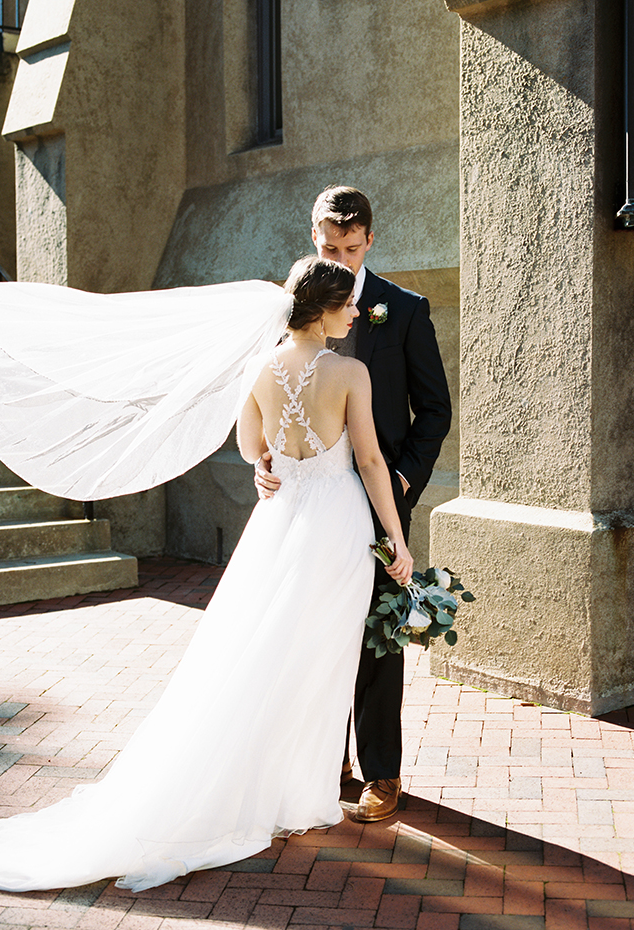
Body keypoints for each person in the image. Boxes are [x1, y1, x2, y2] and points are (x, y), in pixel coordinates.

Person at [0, 256, 412, 893]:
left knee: (260, 651)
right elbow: (367, 458)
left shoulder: (259, 367)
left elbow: (249, 443)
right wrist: (396, 540)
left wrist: (267, 466)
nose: (355, 314)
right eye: (346, 306)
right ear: (321, 309)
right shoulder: (349, 372)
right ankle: (292, 790)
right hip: (337, 523)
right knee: (318, 655)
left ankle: (273, 780)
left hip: (280, 523)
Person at [256, 187, 452, 822]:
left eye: (349, 247)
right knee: (312, 627)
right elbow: (265, 410)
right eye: (327, 246)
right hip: (309, 503)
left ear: (370, 240)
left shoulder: (403, 310)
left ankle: (381, 773)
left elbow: (435, 411)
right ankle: (324, 758)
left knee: (376, 639)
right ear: (315, 239)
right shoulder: (295, 302)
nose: (339, 257)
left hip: (377, 496)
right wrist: (264, 464)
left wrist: (402, 480)